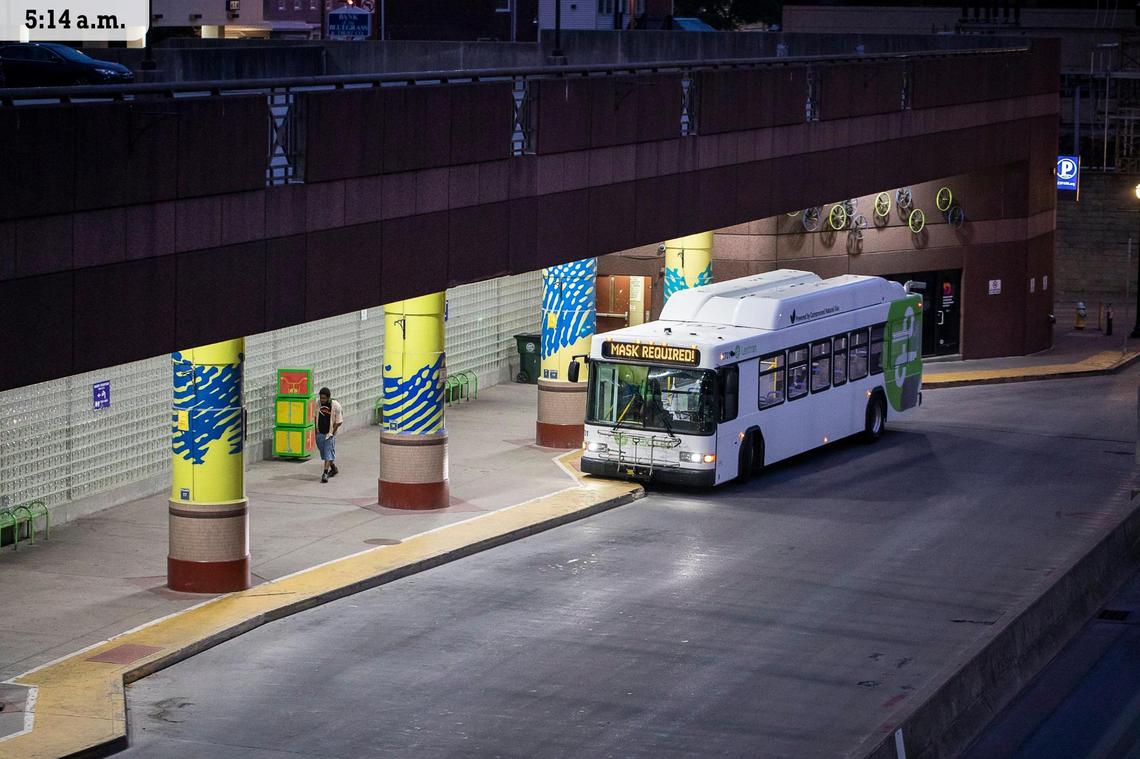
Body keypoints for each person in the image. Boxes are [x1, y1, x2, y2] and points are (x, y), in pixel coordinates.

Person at [315, 387, 343, 483]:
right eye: (321, 398)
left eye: (323, 398)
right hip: (320, 433)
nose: (322, 400)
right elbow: (315, 416)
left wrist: (332, 433)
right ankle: (333, 468)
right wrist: (316, 430)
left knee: (327, 452)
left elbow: (339, 422)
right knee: (324, 453)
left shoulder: (335, 405)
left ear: (328, 398)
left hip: (329, 434)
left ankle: (325, 473)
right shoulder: (318, 404)